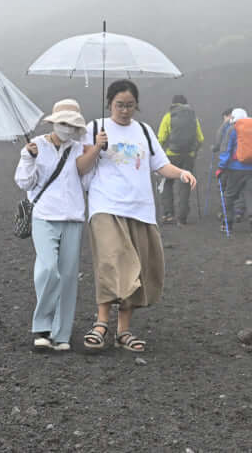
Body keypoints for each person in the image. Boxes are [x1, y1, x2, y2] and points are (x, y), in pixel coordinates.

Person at [78, 80, 196, 352]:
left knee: (139, 267)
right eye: (119, 105)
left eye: (130, 105)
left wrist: (181, 173)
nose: (125, 110)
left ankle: (124, 331)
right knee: (113, 260)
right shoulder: (95, 128)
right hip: (106, 205)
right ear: (110, 104)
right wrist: (96, 147)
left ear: (136, 105)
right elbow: (81, 168)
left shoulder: (144, 130)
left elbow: (160, 164)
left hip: (140, 208)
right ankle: (100, 323)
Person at [14, 99, 87, 351]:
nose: (67, 128)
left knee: (68, 276)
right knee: (48, 270)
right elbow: (24, 182)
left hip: (73, 217)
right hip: (43, 215)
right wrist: (29, 157)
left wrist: (96, 149)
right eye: (63, 123)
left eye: (72, 124)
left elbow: (86, 181)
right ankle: (42, 326)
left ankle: (62, 333)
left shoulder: (80, 148)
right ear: (54, 122)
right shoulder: (37, 146)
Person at [216, 108, 252, 237]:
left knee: (229, 196)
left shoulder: (233, 129)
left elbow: (226, 149)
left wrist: (221, 167)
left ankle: (227, 224)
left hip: (236, 169)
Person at [157, 95, 204, 225]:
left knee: (167, 182)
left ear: (173, 104)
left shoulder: (168, 116)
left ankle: (168, 214)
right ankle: (182, 218)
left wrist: (160, 153)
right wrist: (194, 152)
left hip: (171, 155)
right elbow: (200, 139)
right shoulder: (193, 117)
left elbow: (161, 138)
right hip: (188, 156)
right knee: (185, 185)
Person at [212, 108, 245, 222]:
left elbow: (218, 142)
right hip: (243, 161)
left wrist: (215, 149)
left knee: (224, 186)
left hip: (228, 163)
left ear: (227, 116)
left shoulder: (228, 127)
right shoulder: (245, 125)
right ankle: (239, 211)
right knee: (240, 186)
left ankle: (224, 212)